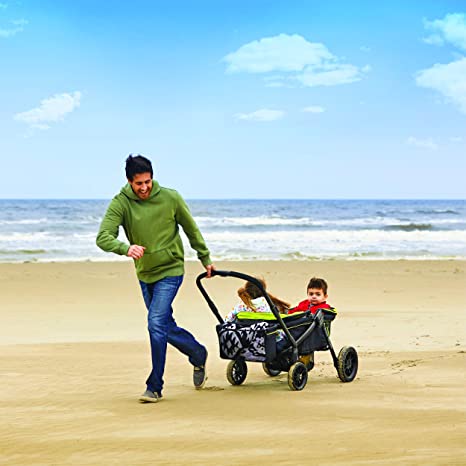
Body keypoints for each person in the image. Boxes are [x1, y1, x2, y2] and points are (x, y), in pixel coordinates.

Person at [96, 154, 214, 403]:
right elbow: (103, 237)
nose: (144, 188)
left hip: (171, 270)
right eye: (138, 183)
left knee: (155, 323)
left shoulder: (170, 197)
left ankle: (155, 385)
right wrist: (125, 248)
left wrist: (205, 258)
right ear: (129, 181)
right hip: (145, 273)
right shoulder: (121, 203)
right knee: (162, 326)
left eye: (148, 182)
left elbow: (191, 229)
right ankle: (197, 352)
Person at [224, 277, 290, 322]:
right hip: (269, 339)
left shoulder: (241, 306)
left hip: (246, 339)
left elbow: (226, 320)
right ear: (264, 291)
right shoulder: (270, 304)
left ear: (247, 291)